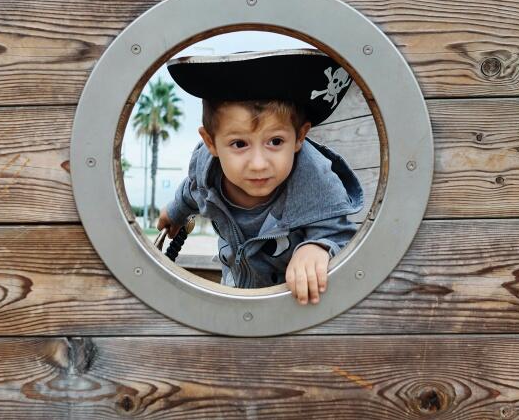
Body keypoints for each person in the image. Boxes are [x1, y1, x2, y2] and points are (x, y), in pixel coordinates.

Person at [156, 48, 364, 305]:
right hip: (233, 287)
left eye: (275, 141)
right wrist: (174, 213)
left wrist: (317, 247)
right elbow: (192, 191)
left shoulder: (317, 181)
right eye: (239, 144)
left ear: (299, 137)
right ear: (211, 143)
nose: (258, 164)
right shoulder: (207, 171)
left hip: (293, 300)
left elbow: (339, 233)